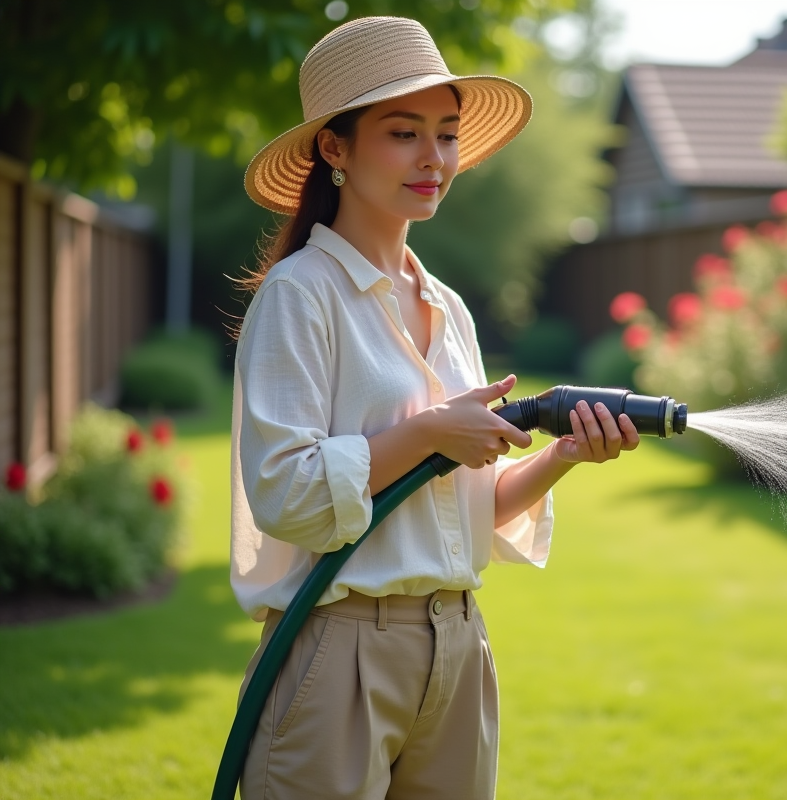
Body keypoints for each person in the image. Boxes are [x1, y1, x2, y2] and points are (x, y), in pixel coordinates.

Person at [230, 16, 638, 800]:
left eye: (446, 135)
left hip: (458, 647)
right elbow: (284, 494)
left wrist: (561, 456)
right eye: (403, 133)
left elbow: (465, 508)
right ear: (335, 149)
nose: (434, 158)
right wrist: (424, 434)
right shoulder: (299, 296)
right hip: (337, 650)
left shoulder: (448, 308)